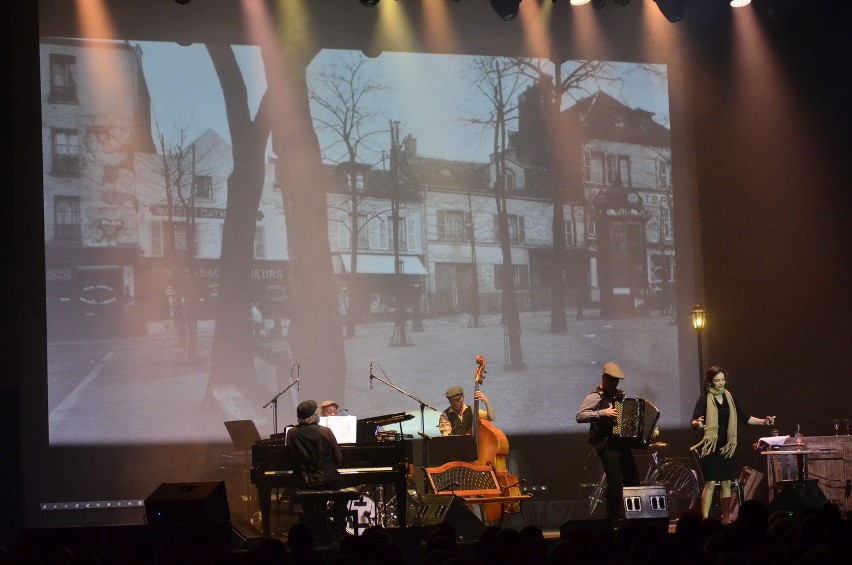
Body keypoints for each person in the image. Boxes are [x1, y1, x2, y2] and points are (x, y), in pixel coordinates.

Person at [690, 366, 776, 523]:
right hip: (711, 447)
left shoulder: (730, 397)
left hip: (727, 447)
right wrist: (698, 424)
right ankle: (705, 520)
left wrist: (764, 421)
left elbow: (746, 417)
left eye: (723, 380)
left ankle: (726, 518)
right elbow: (694, 421)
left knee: (726, 483)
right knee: (710, 483)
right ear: (709, 382)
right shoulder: (704, 399)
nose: (721, 383)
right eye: (717, 380)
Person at [576, 362, 640, 526]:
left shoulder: (619, 395)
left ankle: (633, 518)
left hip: (621, 442)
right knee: (615, 483)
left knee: (633, 479)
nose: (615, 384)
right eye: (612, 380)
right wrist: (603, 413)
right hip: (606, 443)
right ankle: (613, 520)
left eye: (617, 381)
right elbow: (580, 416)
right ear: (604, 378)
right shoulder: (595, 396)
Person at [286, 399, 344, 489]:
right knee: (344, 491)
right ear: (316, 415)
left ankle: (307, 503)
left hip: (302, 482)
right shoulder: (326, 431)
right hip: (328, 481)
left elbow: (290, 459)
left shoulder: (291, 433)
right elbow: (338, 458)